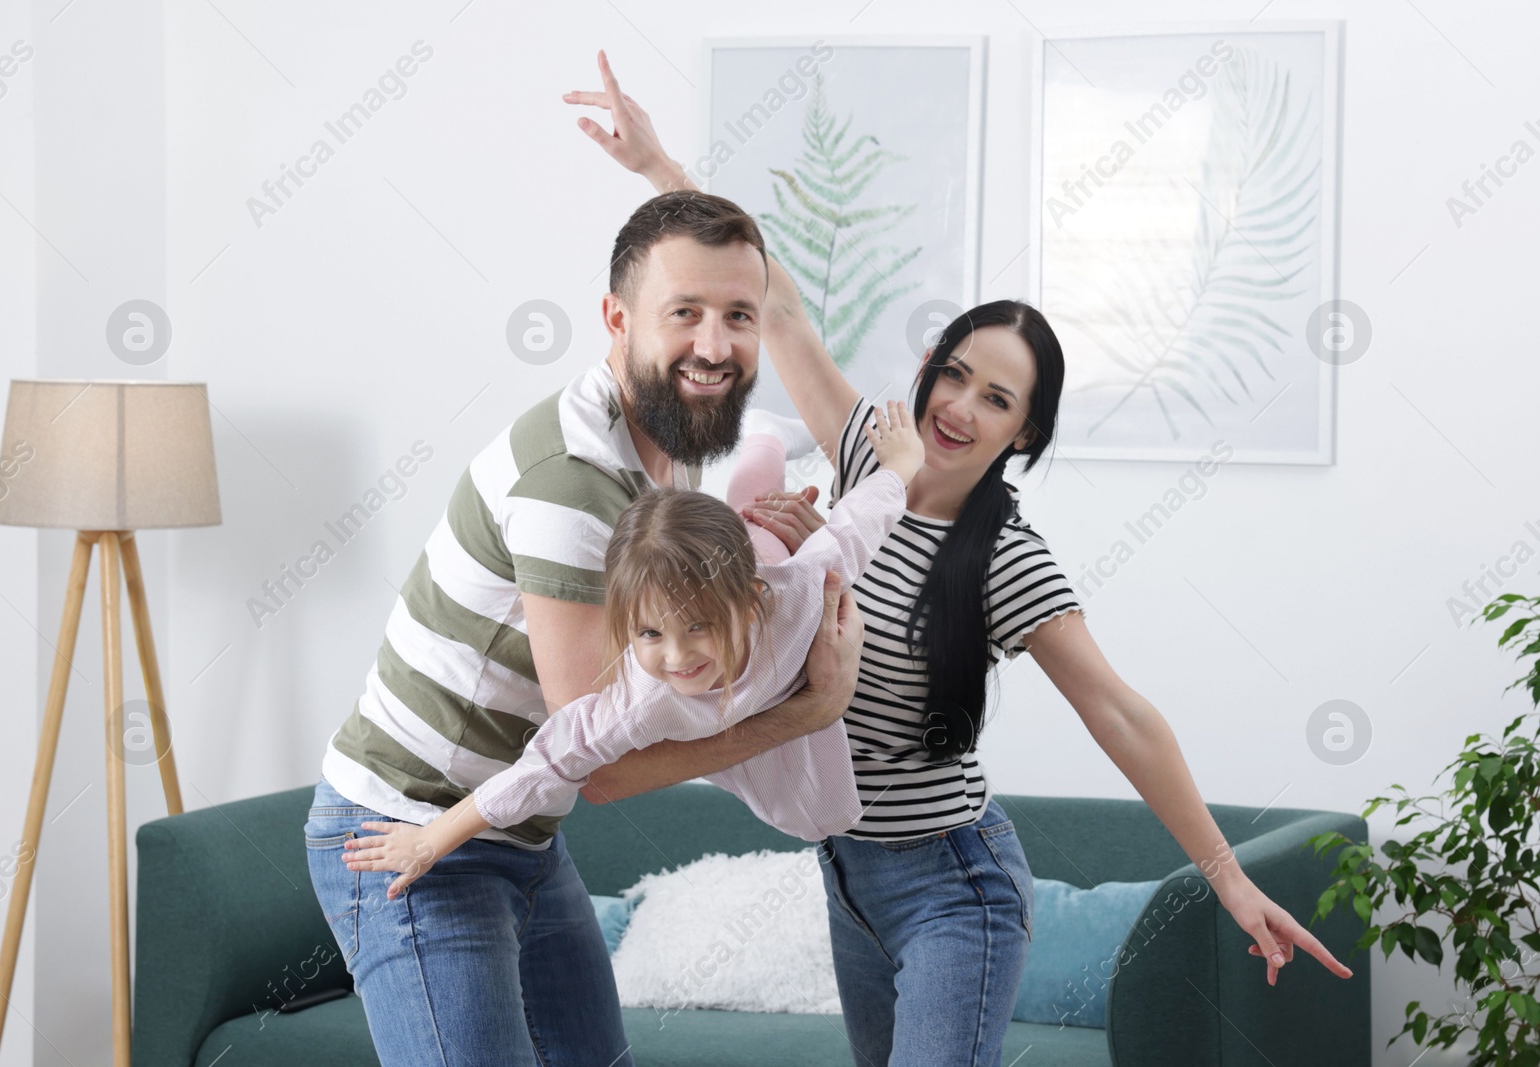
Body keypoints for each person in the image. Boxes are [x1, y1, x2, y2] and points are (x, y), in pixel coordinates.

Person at [564, 50, 1355, 1067]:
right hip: (846, 875)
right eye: (955, 373)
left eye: (997, 399)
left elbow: (1118, 711)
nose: (959, 406)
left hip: (954, 884)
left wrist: (1229, 877)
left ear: (1022, 435)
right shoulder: (858, 456)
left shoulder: (1006, 560)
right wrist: (658, 165)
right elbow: (781, 303)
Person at [304, 188, 869, 1067]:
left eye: (738, 316)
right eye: (684, 313)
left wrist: (769, 568)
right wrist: (805, 710)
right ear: (616, 318)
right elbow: (601, 760)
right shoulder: (574, 486)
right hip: (412, 834)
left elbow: (675, 630)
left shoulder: (661, 446)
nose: (715, 346)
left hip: (520, 834)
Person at [340, 402, 925, 898]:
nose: (677, 658)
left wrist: (903, 462)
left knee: (759, 516)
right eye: (650, 634)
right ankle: (762, 444)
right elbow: (543, 767)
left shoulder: (800, 592)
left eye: (698, 628)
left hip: (761, 574)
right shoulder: (637, 702)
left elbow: (857, 525)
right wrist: (430, 839)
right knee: (748, 524)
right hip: (743, 667)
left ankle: (764, 437)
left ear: (750, 606)